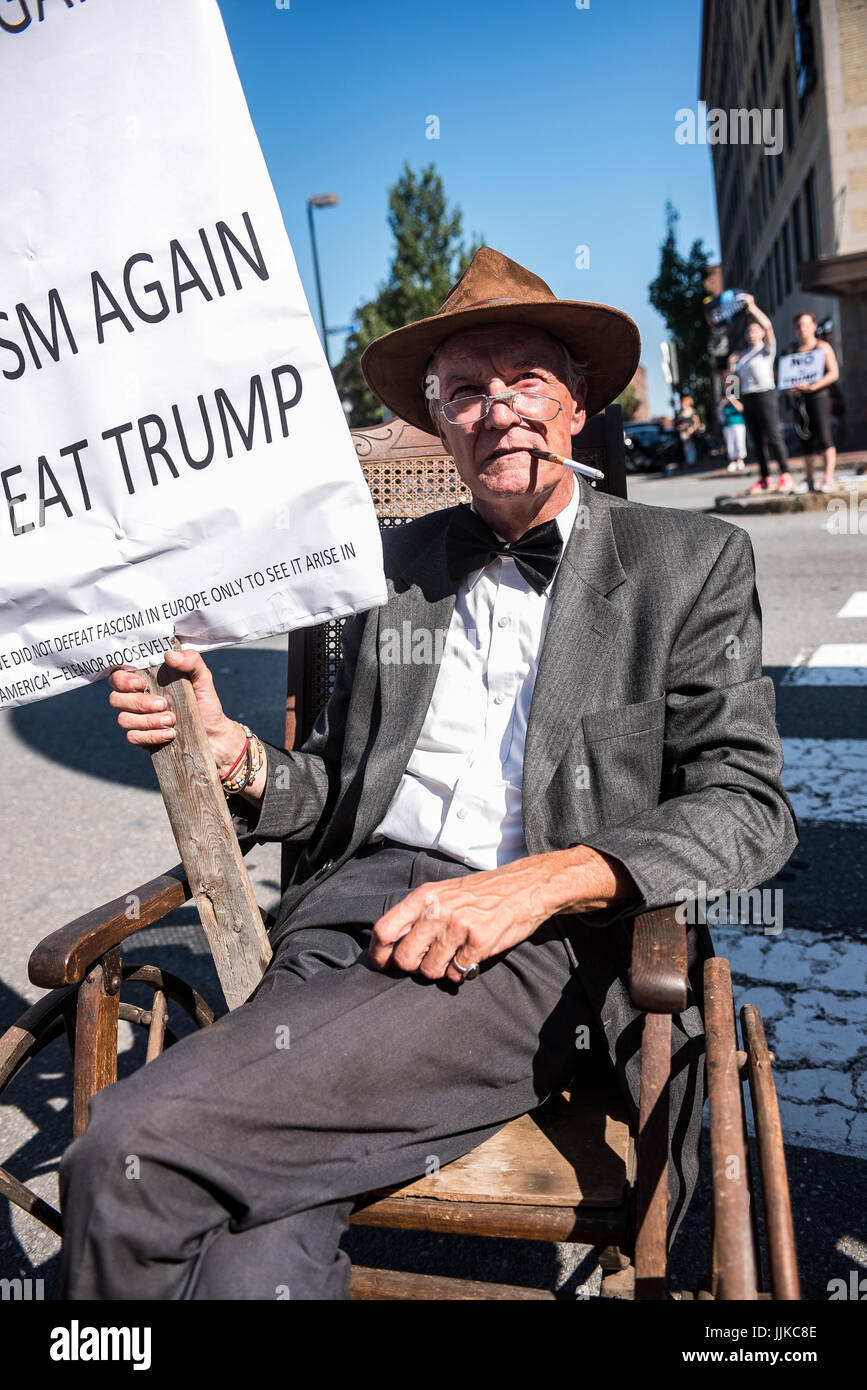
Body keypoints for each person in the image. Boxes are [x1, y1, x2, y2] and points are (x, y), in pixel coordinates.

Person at [58, 247, 798, 1300]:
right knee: (251, 1254)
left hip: (525, 955)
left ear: (578, 403)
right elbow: (332, 787)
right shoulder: (387, 572)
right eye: (466, 390)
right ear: (441, 425)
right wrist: (239, 759)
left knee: (131, 1150)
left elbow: (748, 808)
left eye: (526, 380)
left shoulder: (688, 564)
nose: (498, 410)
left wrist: (536, 882)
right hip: (343, 927)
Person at [729, 294, 792, 494]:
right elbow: (733, 381)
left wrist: (752, 306)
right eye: (749, 331)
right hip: (749, 397)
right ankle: (765, 478)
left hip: (765, 394)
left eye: (756, 331)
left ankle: (785, 474)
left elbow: (769, 326)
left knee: (773, 436)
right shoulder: (742, 355)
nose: (752, 334)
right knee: (756, 439)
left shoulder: (766, 350)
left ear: (761, 333)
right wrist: (733, 396)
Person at [787, 310, 840, 494]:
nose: (803, 329)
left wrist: (814, 386)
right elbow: (785, 379)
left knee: (825, 436)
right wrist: (790, 388)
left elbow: (833, 373)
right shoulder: (792, 351)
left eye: (806, 324)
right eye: (799, 325)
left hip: (819, 396)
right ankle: (809, 478)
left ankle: (828, 477)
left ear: (814, 326)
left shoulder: (822, 347)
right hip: (800, 400)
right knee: (805, 439)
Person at [716, 388, 747, 472]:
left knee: (739, 442)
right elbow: (718, 412)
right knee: (730, 444)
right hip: (727, 426)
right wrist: (723, 403)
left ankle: (740, 460)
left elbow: (741, 408)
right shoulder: (723, 405)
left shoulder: (736, 402)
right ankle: (732, 461)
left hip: (738, 425)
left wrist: (733, 400)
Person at [675, 394, 702, 466]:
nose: (682, 404)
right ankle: (689, 461)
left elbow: (697, 422)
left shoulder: (693, 411)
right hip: (683, 433)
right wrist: (680, 427)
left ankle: (693, 460)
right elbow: (678, 424)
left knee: (692, 446)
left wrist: (692, 429)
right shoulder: (681, 413)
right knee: (686, 447)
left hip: (692, 432)